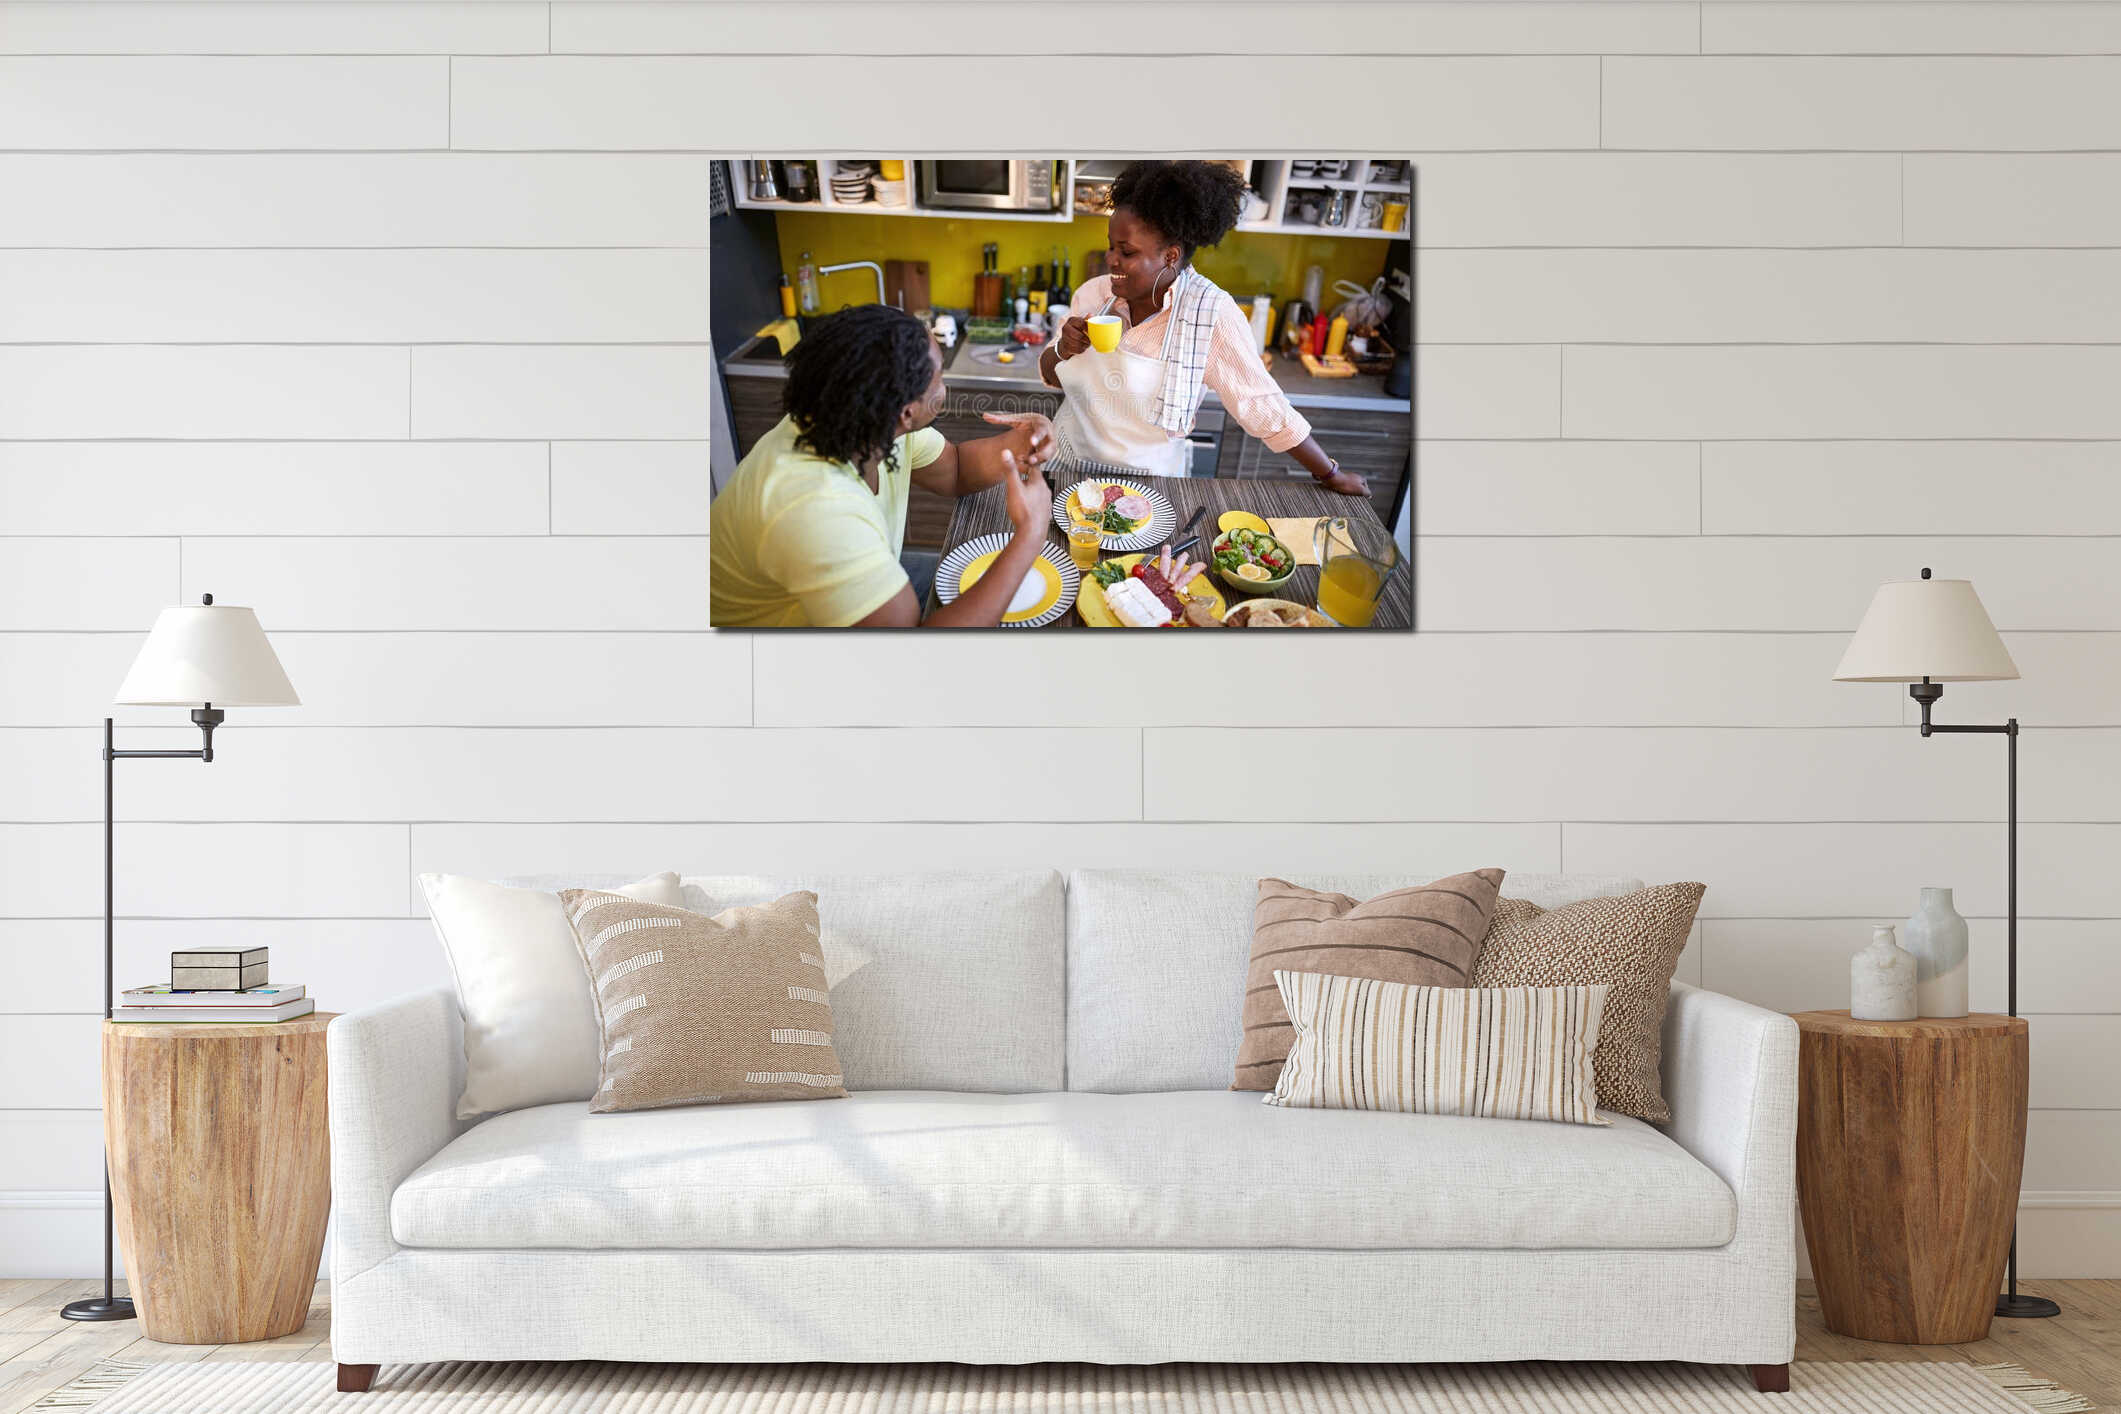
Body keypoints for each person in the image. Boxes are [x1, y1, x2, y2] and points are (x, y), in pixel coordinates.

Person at [711, 304, 1056, 628]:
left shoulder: (861, 421)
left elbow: (955, 469)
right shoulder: (815, 507)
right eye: (938, 377)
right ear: (907, 412)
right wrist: (1031, 533)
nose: (945, 385)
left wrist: (1024, 444)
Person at [1040, 160, 1368, 497]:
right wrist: (1063, 349)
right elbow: (1050, 375)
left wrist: (1330, 473)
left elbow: (1264, 407)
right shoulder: (1095, 294)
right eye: (1111, 246)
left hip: (1147, 487)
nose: (1111, 260)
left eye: (1126, 251)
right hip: (1068, 471)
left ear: (1171, 255)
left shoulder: (1210, 315)